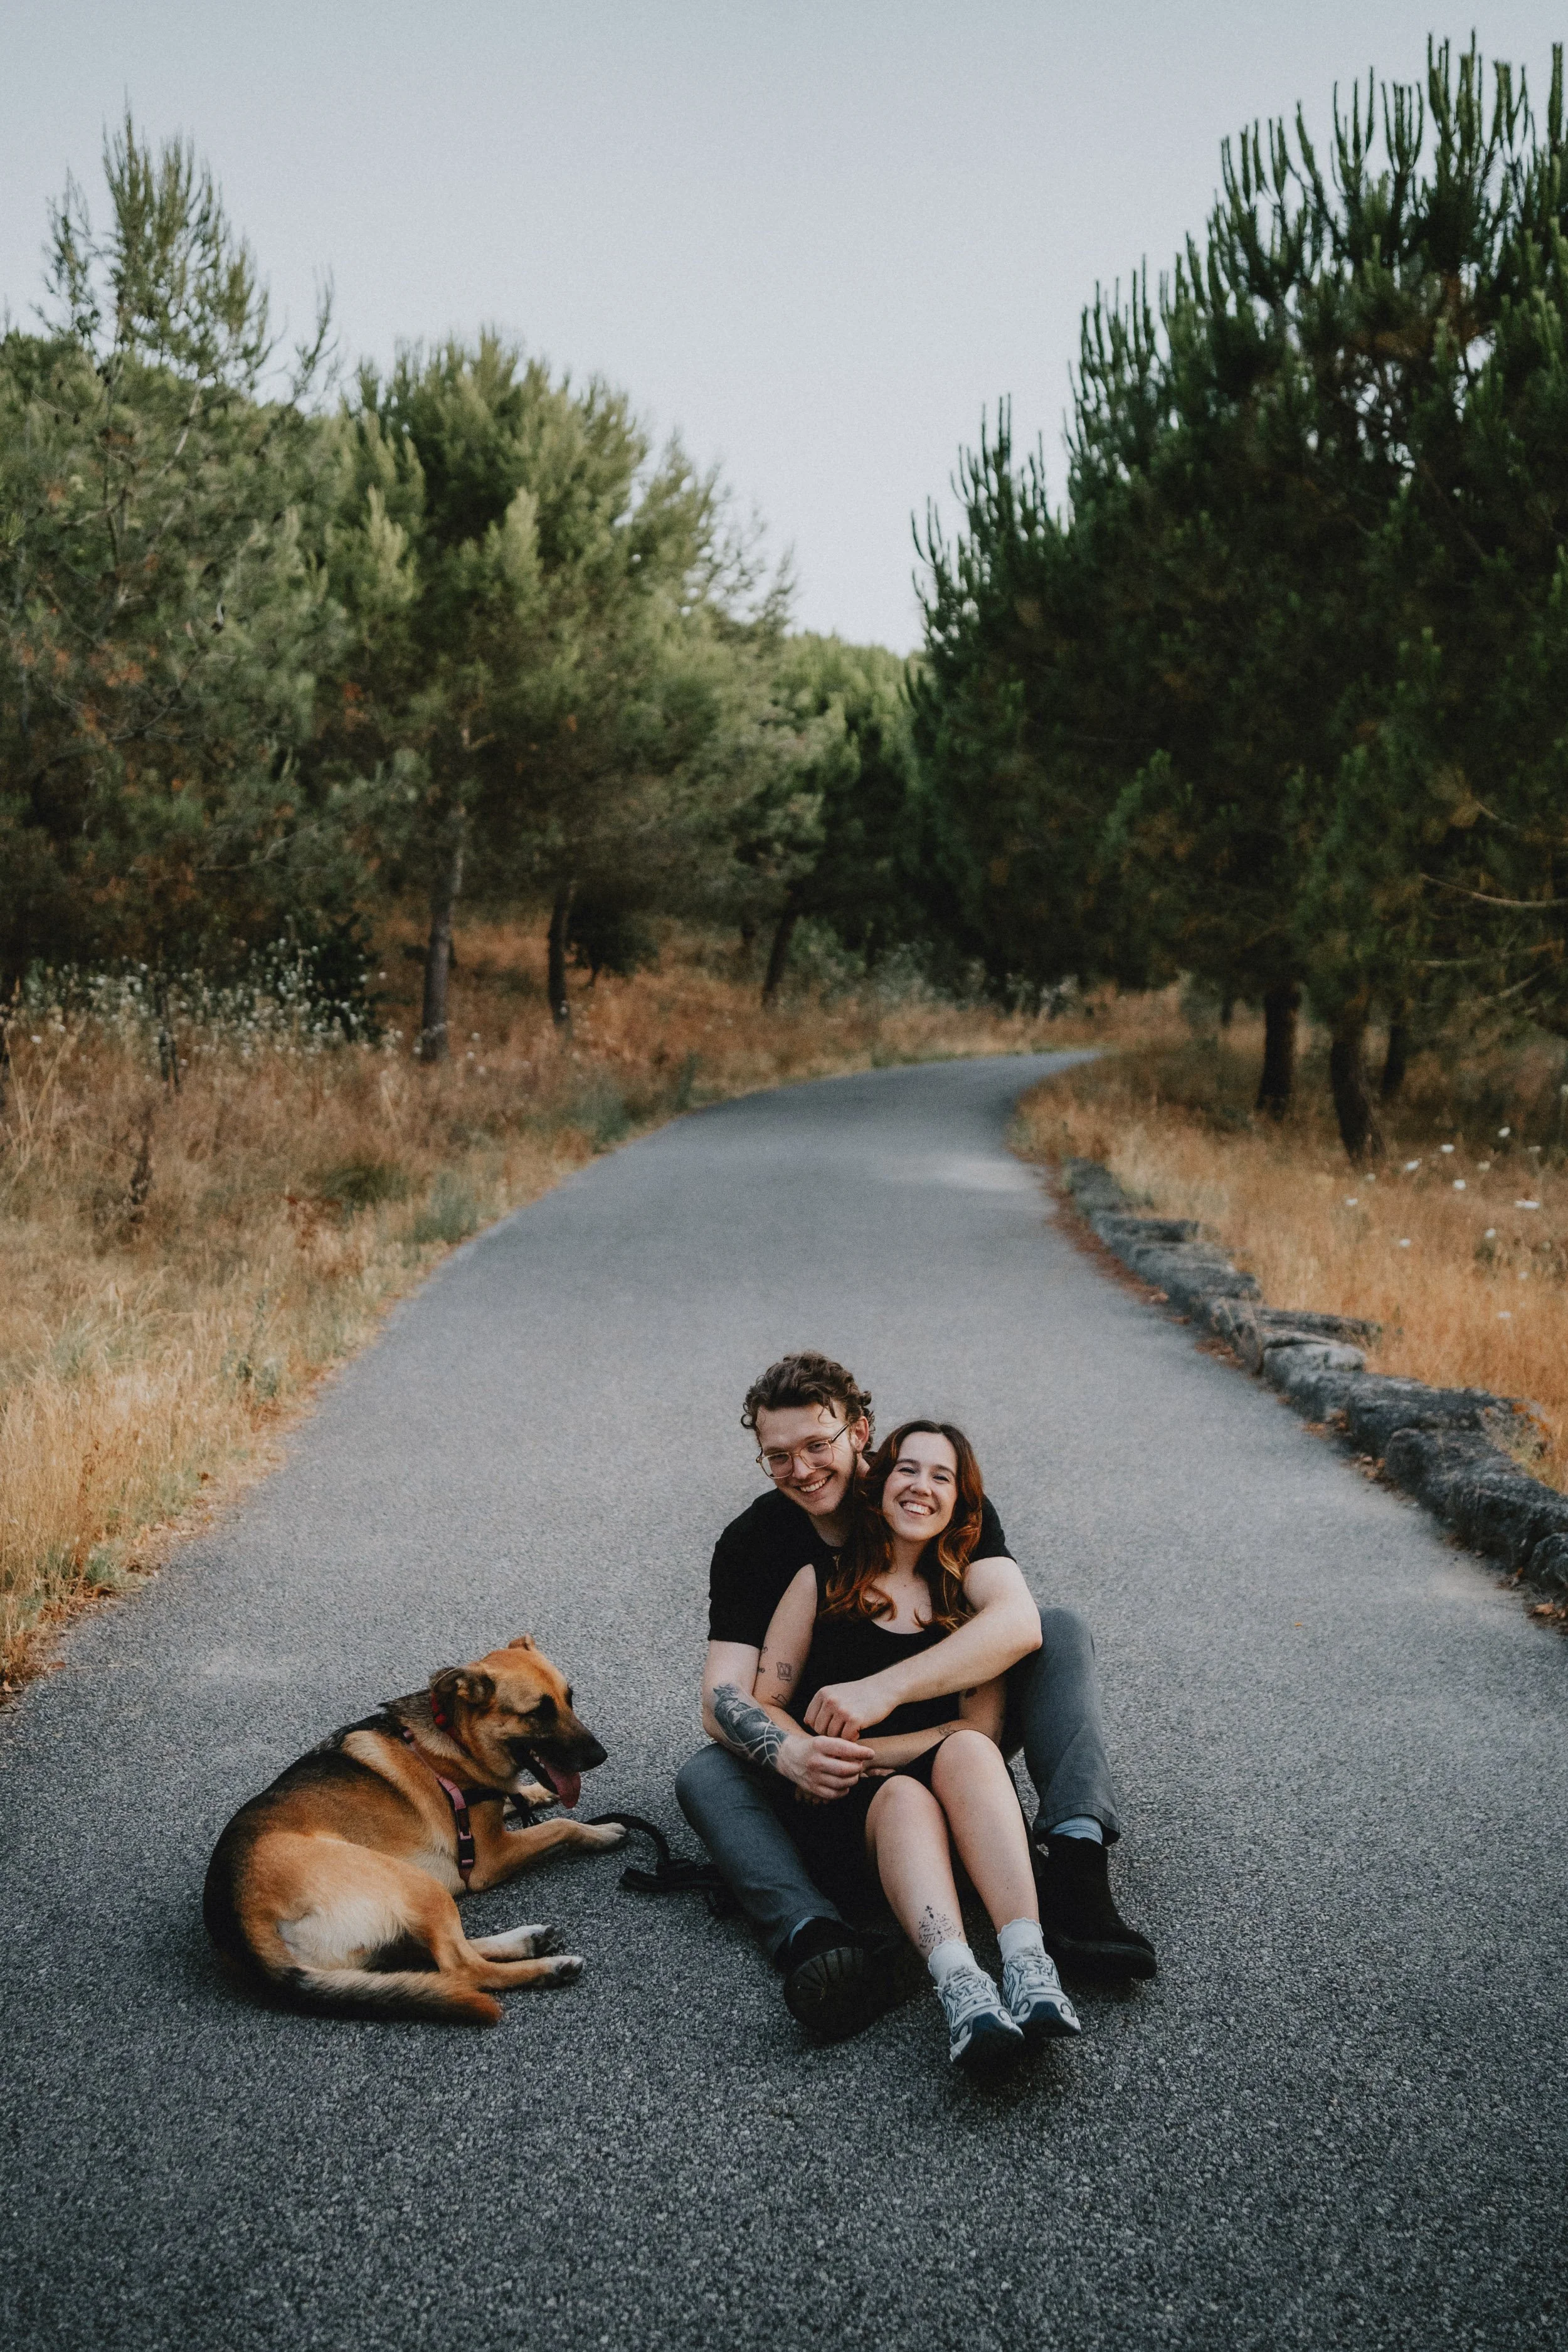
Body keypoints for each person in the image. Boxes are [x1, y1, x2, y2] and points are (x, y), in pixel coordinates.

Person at [675, 1351, 1155, 2042]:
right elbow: (722, 1695)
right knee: (703, 1772)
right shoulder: (758, 1545)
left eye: (818, 1445)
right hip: (828, 1766)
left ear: (859, 1431)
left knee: (1058, 1630)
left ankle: (1076, 1870)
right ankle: (815, 1936)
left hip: (945, 1739)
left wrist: (882, 1691)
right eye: (777, 1456)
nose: (802, 1470)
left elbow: (1014, 1626)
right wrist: (794, 1755)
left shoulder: (931, 1497)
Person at [728, 1418, 1081, 2074]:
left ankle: (1028, 1964)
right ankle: (961, 1987)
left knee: (967, 1755)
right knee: (902, 1799)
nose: (921, 1486)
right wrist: (809, 1755)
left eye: (941, 1476)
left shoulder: (966, 1608)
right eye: (907, 1470)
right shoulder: (823, 1579)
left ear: (961, 1502)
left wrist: (873, 1747)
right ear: (880, 1483)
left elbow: (977, 1732)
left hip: (939, 1786)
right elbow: (767, 1699)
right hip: (846, 1805)